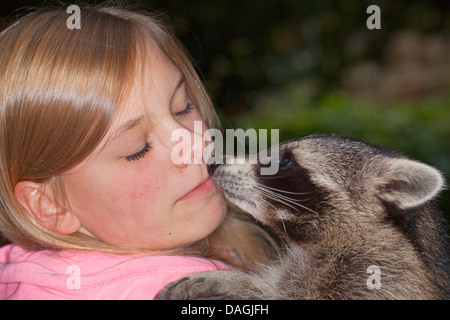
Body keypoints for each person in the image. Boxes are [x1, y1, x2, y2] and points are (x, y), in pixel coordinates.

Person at [0, 5, 278, 299]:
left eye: (182, 106)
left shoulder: (20, 277)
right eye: (138, 149)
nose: (196, 145)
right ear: (50, 206)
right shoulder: (202, 294)